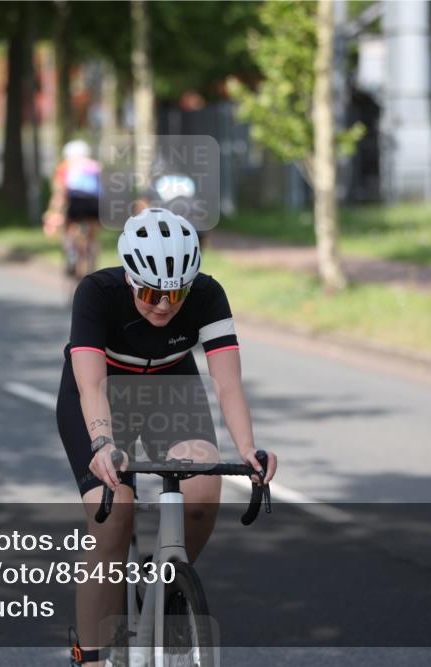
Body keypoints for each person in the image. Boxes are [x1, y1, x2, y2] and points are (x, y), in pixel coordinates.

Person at [57, 208, 278, 666]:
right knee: (113, 515)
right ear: (131, 278)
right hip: (103, 396)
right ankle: (90, 657)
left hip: (169, 391)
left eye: (176, 293)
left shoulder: (208, 294)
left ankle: (166, 585)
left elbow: (228, 383)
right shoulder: (97, 292)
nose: (164, 305)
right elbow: (92, 385)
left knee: (201, 489)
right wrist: (102, 443)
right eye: (152, 292)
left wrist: (246, 448)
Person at [44, 139, 103, 278]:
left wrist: (54, 211)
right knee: (92, 233)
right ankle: (92, 252)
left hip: (76, 202)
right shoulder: (95, 166)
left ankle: (71, 252)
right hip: (95, 203)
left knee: (68, 227)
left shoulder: (65, 166)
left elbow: (60, 192)